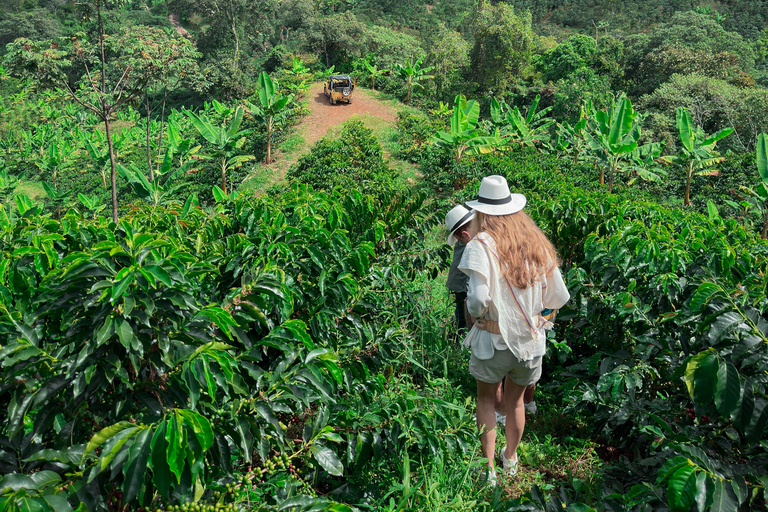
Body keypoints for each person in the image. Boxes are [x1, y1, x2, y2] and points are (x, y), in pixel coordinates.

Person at [459, 175, 570, 483]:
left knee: (485, 401)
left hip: (493, 341)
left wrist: (478, 313)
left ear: (481, 212)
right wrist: (539, 317)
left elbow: (478, 299)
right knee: (516, 401)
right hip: (530, 342)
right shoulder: (535, 242)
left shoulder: (480, 245)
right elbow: (558, 296)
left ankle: (490, 469)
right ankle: (511, 459)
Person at [444, 205, 475, 332]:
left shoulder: (469, 236)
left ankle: (456, 337)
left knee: (462, 313)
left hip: (461, 282)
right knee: (464, 316)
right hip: (461, 283)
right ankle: (456, 339)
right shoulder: (469, 240)